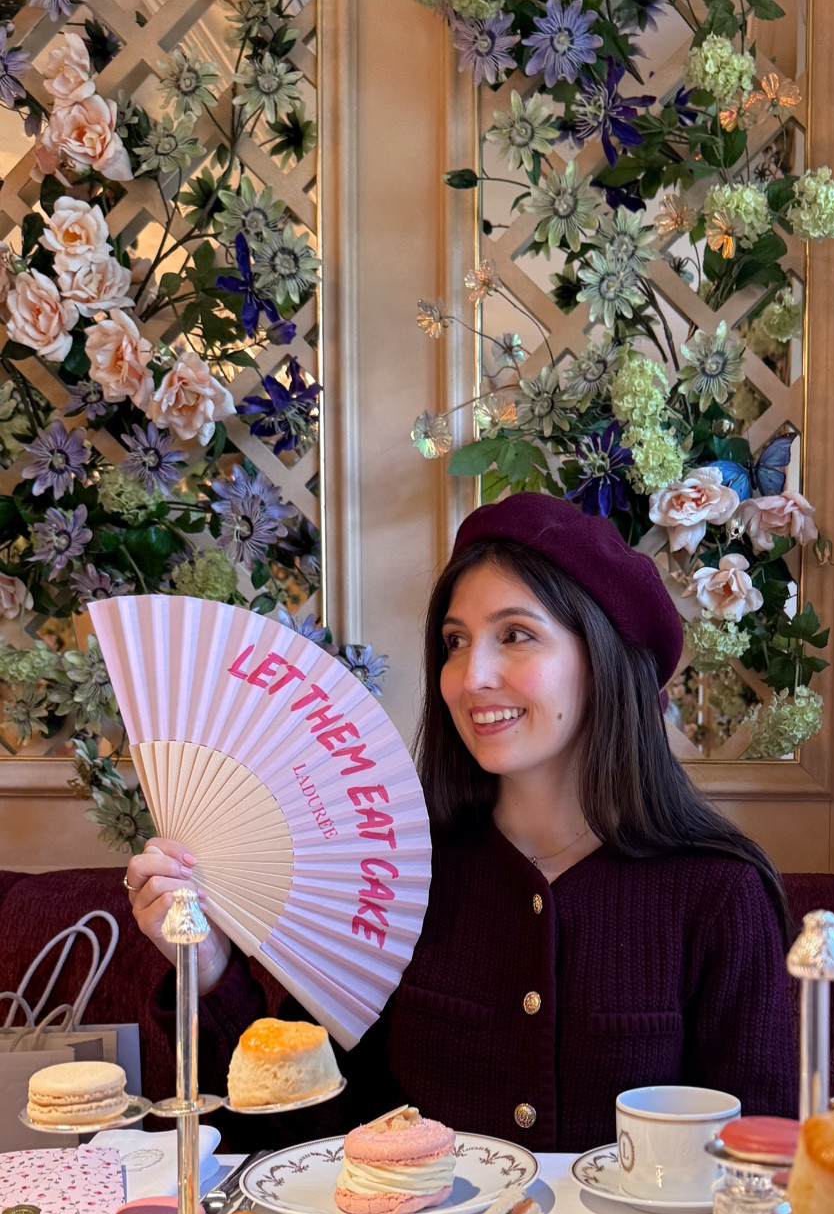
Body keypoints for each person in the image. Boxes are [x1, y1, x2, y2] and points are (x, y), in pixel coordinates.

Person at [126, 493, 798, 1151]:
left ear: (603, 659)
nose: (469, 676)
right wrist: (207, 967)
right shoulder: (392, 870)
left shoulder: (719, 895)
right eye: (455, 641)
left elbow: (757, 1175)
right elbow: (297, 1135)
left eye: (515, 635)